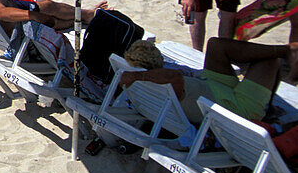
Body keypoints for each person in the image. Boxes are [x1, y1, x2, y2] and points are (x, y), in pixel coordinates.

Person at [119, 38, 298, 123]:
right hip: (237, 107)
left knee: (215, 45)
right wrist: (137, 76)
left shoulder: (147, 85)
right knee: (268, 61)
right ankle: (283, 53)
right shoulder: (161, 82)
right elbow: (174, 78)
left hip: (212, 87)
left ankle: (284, 51)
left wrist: (135, 75)